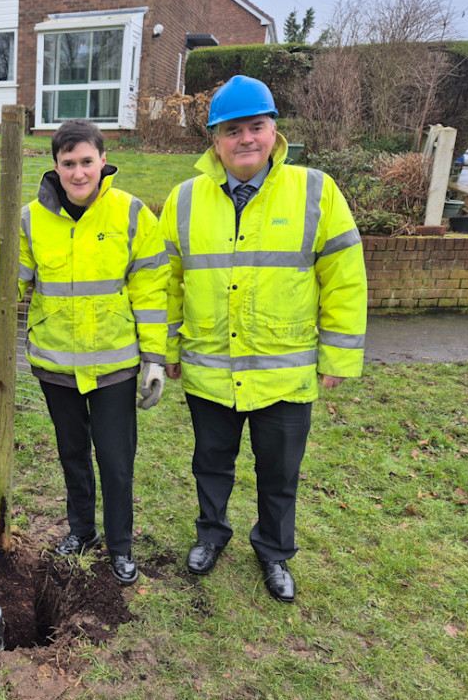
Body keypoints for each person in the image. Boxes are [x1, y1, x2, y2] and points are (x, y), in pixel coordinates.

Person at [159, 75, 367, 602]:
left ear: (275, 132)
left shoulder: (314, 190)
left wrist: (338, 354)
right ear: (214, 139)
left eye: (257, 126)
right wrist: (166, 350)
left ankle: (274, 552)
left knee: (279, 474)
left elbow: (344, 274)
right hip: (211, 369)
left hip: (285, 373)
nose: (245, 139)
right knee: (211, 464)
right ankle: (211, 535)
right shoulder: (184, 200)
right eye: (232, 130)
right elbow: (166, 284)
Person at [0, 119, 169, 585]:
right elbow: (9, 282)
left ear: (103, 160)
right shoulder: (32, 218)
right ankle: (82, 531)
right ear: (55, 164)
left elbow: (151, 290)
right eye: (68, 163)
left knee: (115, 460)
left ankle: (121, 546)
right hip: (56, 366)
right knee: (72, 453)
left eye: (86, 162)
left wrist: (154, 358)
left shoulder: (132, 215)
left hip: (114, 365)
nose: (78, 173)